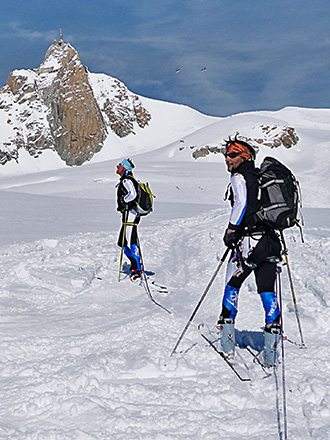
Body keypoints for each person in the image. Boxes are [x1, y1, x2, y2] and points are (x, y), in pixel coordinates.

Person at [217, 136, 282, 367]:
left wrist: (231, 230)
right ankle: (271, 353)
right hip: (270, 242)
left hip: (248, 243)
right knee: (267, 290)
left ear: (243, 157)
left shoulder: (239, 177)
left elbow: (241, 204)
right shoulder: (260, 178)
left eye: (232, 155)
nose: (227, 159)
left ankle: (227, 345)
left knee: (231, 285)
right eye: (226, 154)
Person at [116, 158, 142, 280]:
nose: (117, 167)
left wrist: (123, 201)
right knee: (123, 242)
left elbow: (132, 194)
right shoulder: (126, 179)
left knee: (130, 241)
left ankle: (137, 268)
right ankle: (134, 265)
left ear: (125, 168)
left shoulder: (126, 180)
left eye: (120, 165)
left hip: (130, 215)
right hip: (129, 214)